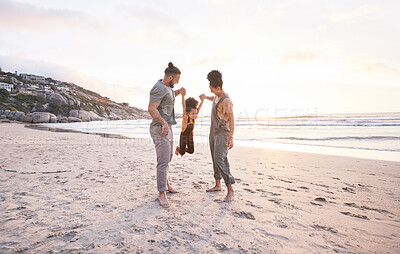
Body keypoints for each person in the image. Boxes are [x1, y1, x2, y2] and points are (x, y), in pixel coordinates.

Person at [148, 62, 185, 207]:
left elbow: (168, 97)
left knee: (168, 158)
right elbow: (152, 109)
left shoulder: (168, 88)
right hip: (159, 128)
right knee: (163, 161)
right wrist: (163, 123)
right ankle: (161, 193)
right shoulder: (158, 88)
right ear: (170, 78)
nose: (177, 82)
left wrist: (178, 92)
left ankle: (166, 184)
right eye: (176, 80)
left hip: (167, 127)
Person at [202, 70, 235, 202]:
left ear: (218, 87)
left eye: (212, 89)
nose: (211, 91)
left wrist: (231, 137)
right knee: (214, 158)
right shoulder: (216, 95)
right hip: (213, 130)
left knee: (220, 159)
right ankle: (217, 185)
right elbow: (214, 99)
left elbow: (232, 119)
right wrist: (205, 97)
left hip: (222, 132)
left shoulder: (227, 101)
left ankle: (230, 190)